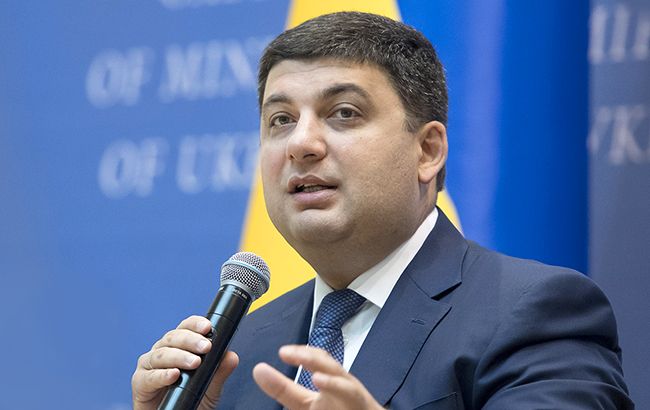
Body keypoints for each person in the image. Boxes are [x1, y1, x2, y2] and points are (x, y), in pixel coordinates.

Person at [132, 11, 633, 409]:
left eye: (344, 113)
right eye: (280, 119)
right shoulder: (241, 352)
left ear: (427, 151)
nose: (301, 143)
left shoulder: (536, 314)